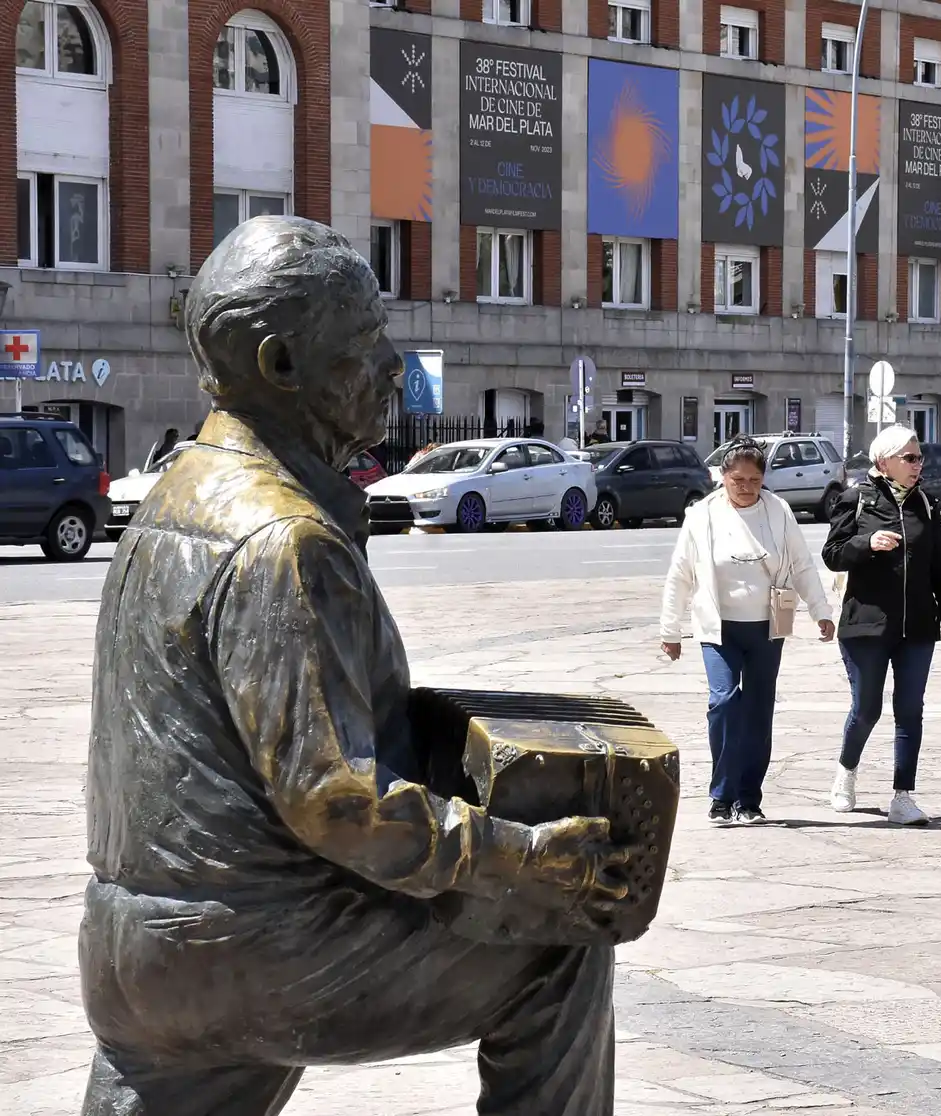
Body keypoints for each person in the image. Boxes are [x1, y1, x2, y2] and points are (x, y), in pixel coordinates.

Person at [78, 217, 631, 1116]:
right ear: (282, 364)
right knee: (560, 946)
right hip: (251, 949)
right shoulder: (284, 539)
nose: (392, 365)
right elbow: (338, 802)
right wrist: (525, 858)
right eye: (367, 339)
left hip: (131, 948)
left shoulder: (173, 500)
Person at [660, 437, 835, 825]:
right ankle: (721, 795)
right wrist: (670, 629)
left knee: (758, 710)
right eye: (738, 480)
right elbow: (680, 574)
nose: (746, 487)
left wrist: (820, 610)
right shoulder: (702, 515)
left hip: (767, 627)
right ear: (722, 476)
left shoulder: (778, 511)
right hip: (719, 628)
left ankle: (748, 799)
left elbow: (802, 564)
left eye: (754, 480)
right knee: (724, 703)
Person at [822, 425, 941, 826]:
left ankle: (903, 796)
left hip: (917, 626)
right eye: (910, 458)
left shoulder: (925, 504)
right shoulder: (856, 499)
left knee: (910, 710)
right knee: (866, 709)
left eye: (919, 458)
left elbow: (939, 563)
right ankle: (847, 770)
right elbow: (832, 554)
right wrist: (866, 544)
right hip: (866, 625)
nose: (918, 465)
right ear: (884, 462)